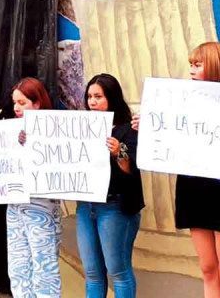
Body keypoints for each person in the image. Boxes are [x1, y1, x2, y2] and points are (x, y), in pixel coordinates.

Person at [76, 74, 143, 298]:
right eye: (89, 97)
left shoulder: (128, 129)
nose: (92, 102)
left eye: (98, 96)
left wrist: (119, 152)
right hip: (86, 206)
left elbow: (131, 169)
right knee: (92, 273)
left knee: (118, 270)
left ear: (112, 98)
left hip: (115, 207)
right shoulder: (80, 129)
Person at [174, 42, 220, 298]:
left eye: (197, 64)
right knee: (208, 267)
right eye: (190, 64)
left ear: (213, 65)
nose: (191, 69)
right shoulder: (180, 99)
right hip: (193, 186)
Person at [8, 78, 61, 298]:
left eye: (22, 103)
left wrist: (35, 141)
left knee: (44, 266)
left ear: (37, 103)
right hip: (15, 205)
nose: (16, 108)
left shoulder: (55, 131)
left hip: (41, 207)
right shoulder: (8, 130)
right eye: (14, 103)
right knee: (18, 266)